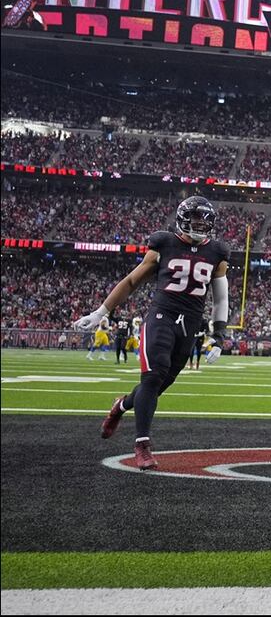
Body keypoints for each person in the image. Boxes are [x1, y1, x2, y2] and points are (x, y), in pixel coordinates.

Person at [77, 196, 230, 470]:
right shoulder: (164, 244)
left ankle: (121, 406)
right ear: (183, 219)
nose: (198, 225)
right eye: (194, 219)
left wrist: (218, 336)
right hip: (162, 317)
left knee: (156, 387)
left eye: (203, 221)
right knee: (153, 375)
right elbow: (132, 280)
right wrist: (101, 312)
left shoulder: (217, 253)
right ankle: (142, 445)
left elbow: (221, 299)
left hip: (190, 324)